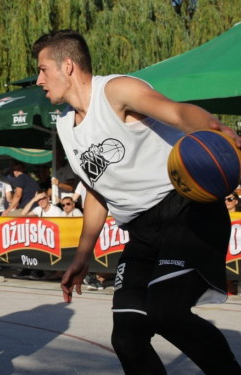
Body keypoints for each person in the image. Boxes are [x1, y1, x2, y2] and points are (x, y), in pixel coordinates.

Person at [33, 30, 241, 374]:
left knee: (166, 312)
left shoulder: (115, 91)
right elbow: (99, 191)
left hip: (186, 212)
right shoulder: (66, 127)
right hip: (142, 233)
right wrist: (82, 257)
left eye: (43, 69)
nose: (39, 80)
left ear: (67, 65)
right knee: (127, 338)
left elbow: (177, 112)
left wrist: (214, 128)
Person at [225, 192, 239, 296]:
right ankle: (230, 288)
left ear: (236, 201)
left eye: (230, 199)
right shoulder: (218, 217)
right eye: (224, 199)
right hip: (225, 249)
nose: (226, 201)